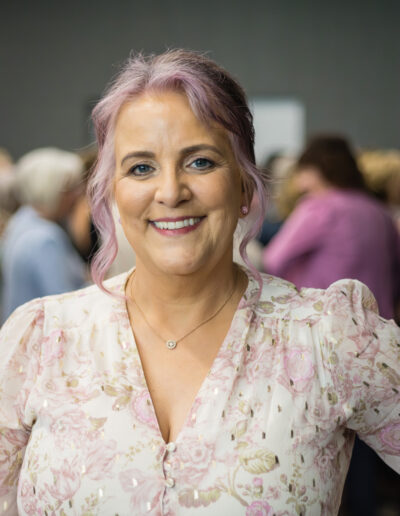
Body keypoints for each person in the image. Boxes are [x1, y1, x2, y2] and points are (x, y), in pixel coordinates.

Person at [0, 51, 398, 516]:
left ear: (245, 187)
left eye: (201, 162)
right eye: (141, 168)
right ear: (112, 193)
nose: (171, 192)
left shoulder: (326, 339)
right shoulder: (43, 339)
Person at [262, 135, 400, 320]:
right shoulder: (380, 212)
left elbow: (273, 259)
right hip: (378, 324)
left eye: (302, 172)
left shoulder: (320, 207)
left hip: (328, 323)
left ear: (317, 171)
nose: (299, 184)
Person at [1, 147, 87, 321]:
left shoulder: (20, 221)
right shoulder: (44, 238)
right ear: (51, 189)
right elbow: (63, 302)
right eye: (69, 188)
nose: (75, 196)